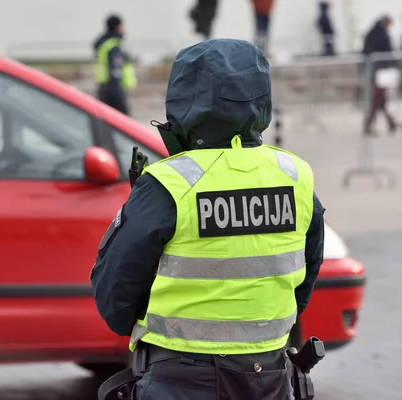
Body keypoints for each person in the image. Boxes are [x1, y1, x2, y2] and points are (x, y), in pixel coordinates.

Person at [91, 39, 325, 399]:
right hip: (270, 377)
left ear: (183, 99)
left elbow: (115, 291)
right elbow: (306, 275)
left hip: (181, 380)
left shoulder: (170, 183)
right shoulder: (295, 175)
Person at [93, 14, 137, 115]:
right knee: (124, 121)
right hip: (113, 88)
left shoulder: (104, 44)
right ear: (117, 27)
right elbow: (115, 72)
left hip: (105, 88)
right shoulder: (113, 47)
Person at [362, 15, 397, 135]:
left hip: (379, 71)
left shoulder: (374, 34)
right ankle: (374, 124)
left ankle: (390, 122)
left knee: (380, 99)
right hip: (378, 71)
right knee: (377, 99)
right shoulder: (379, 35)